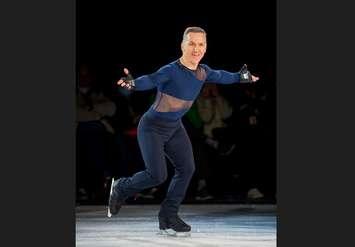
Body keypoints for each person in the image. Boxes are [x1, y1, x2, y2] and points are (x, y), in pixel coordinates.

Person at [108, 26, 259, 236]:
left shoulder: (203, 71)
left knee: (187, 168)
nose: (196, 48)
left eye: (201, 44)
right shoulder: (171, 70)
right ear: (182, 45)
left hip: (175, 127)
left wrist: (241, 77)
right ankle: (120, 188)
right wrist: (133, 83)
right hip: (152, 127)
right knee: (157, 175)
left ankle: (168, 216)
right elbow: (151, 79)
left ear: (205, 47)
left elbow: (222, 76)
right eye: (192, 43)